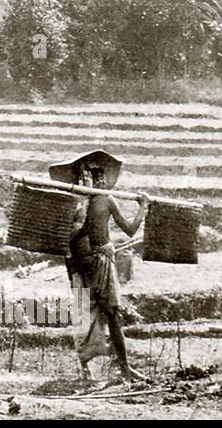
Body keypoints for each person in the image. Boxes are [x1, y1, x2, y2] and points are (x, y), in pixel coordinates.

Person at [49, 149, 149, 382]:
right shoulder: (73, 204)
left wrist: (142, 208)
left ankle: (124, 367)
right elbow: (64, 238)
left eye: (97, 174)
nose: (93, 179)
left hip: (103, 263)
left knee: (113, 313)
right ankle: (85, 368)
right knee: (84, 313)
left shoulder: (106, 200)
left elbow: (130, 229)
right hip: (80, 265)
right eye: (88, 174)